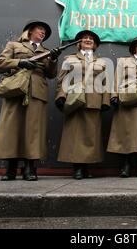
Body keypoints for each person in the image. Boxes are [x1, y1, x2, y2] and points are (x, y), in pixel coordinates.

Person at [0, 20, 61, 181]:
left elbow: (51, 74)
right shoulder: (14, 45)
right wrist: (20, 62)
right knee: (11, 128)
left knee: (33, 131)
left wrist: (54, 60)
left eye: (45, 32)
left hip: (37, 91)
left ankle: (30, 167)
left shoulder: (46, 51)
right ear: (30, 31)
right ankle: (10, 168)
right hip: (16, 90)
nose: (43, 33)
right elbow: (0, 63)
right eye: (40, 29)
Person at [55, 30, 110, 179]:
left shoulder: (102, 62)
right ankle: (77, 168)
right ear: (78, 43)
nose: (88, 40)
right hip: (74, 100)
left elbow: (106, 83)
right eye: (84, 38)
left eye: (91, 38)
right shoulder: (69, 59)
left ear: (95, 44)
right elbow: (62, 80)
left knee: (90, 136)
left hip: (94, 100)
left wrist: (105, 101)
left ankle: (87, 167)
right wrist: (61, 96)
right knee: (75, 135)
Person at [107, 37, 137, 178]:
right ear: (133, 48)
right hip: (126, 100)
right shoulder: (123, 62)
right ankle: (125, 166)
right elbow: (117, 78)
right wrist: (114, 95)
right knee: (125, 134)